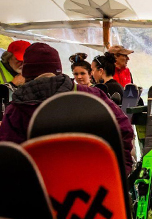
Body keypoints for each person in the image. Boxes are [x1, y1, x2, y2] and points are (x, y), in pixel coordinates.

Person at [0, 42, 135, 173]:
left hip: (39, 189)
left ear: (26, 72)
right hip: (93, 185)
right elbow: (123, 128)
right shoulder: (92, 96)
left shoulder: (16, 109)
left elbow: (8, 154)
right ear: (58, 69)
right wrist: (121, 169)